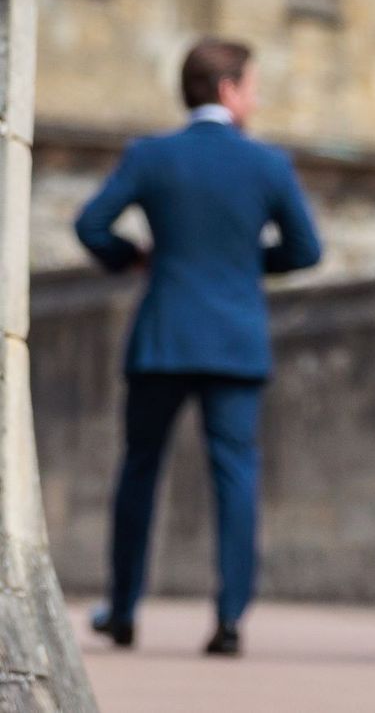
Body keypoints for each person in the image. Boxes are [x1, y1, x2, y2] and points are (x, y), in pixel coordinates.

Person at [76, 38, 322, 656]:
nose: (257, 98)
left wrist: (132, 258)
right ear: (228, 90)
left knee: (139, 471)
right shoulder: (268, 164)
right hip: (236, 340)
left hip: (163, 334)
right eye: (253, 86)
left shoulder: (151, 155)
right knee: (235, 478)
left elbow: (90, 224)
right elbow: (306, 250)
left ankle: (124, 609)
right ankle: (231, 617)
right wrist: (245, 263)